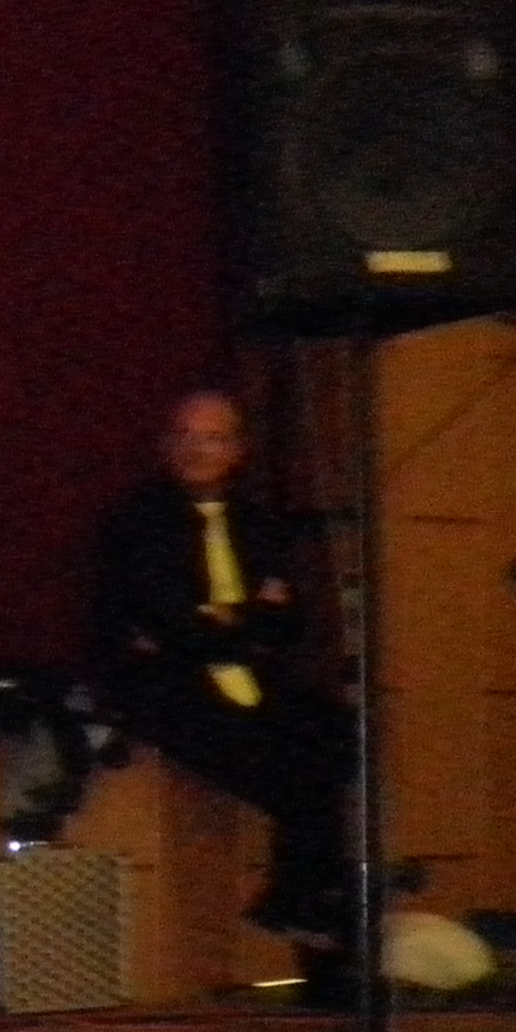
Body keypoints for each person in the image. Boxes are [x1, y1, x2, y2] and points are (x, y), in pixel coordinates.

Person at [86, 389, 357, 959]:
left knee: (341, 736)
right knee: (294, 772)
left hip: (250, 680)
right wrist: (249, 615)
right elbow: (172, 624)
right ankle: (304, 904)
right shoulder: (139, 523)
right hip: (169, 686)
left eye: (214, 438)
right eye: (186, 437)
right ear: (165, 445)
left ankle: (303, 899)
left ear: (237, 450)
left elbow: (291, 621)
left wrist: (224, 619)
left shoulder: (259, 524)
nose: (198, 450)